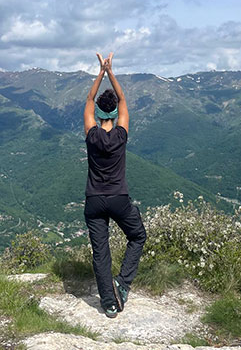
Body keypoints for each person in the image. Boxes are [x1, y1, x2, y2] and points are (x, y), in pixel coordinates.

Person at [83, 52, 147, 318]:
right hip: (119, 198)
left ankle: (109, 304)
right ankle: (122, 282)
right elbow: (122, 100)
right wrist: (111, 71)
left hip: (94, 200)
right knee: (138, 236)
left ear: (98, 114)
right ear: (115, 113)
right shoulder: (121, 134)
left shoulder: (92, 134)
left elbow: (88, 100)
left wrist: (100, 72)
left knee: (101, 252)